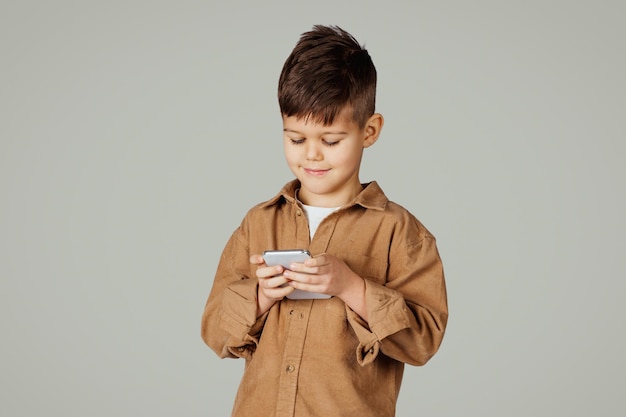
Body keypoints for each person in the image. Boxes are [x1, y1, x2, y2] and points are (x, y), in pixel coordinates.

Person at [201, 25, 448, 417]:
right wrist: (262, 297)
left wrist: (351, 287)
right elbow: (214, 331)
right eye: (296, 139)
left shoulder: (401, 233)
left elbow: (423, 342)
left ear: (369, 131)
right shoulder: (258, 223)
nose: (312, 155)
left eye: (330, 141)